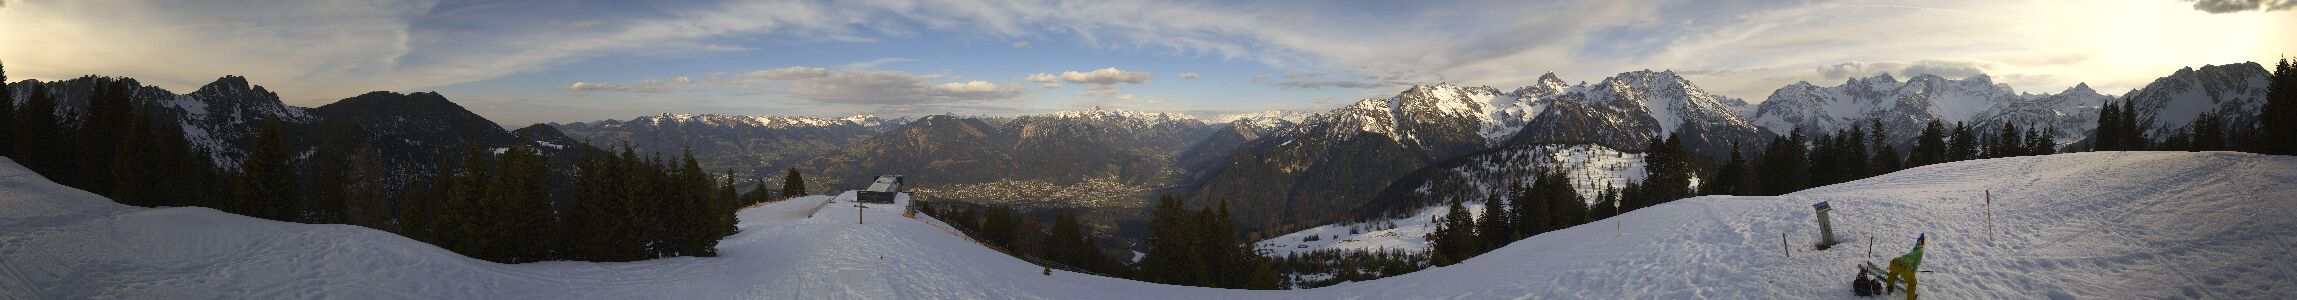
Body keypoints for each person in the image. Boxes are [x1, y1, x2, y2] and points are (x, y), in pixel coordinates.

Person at [1884, 233, 1927, 300]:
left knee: (1893, 273)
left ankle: (1890, 287)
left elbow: (1908, 261)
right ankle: (1911, 298)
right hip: (1902, 266)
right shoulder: (1921, 251)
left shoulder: (1914, 250)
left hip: (1894, 262)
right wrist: (1911, 277)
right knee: (1912, 283)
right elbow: (1915, 266)